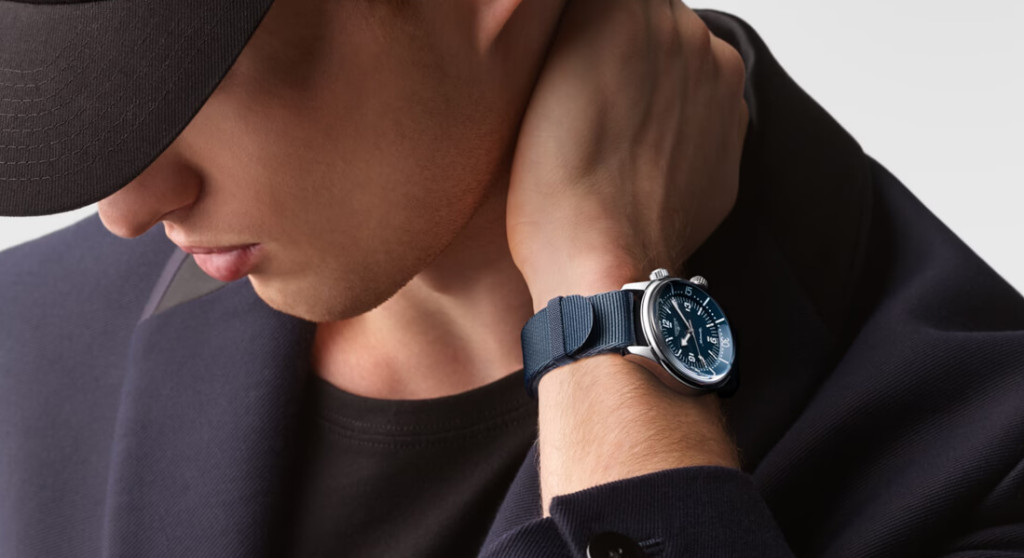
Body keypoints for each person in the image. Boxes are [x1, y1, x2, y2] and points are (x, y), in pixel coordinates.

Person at [1, 0, 1022, 557]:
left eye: (191, 80)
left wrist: (606, 315)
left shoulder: (981, 464)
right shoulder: (26, 340)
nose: (129, 210)